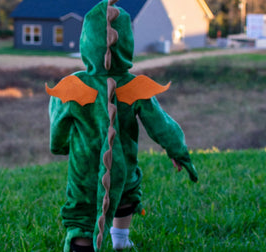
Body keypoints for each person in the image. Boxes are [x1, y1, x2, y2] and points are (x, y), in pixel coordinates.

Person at [46, 1, 198, 251]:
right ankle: (120, 238)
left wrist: (60, 146)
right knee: (126, 192)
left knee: (83, 211)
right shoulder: (135, 87)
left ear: (87, 40)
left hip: (83, 167)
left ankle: (85, 245)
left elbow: (58, 127)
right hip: (123, 163)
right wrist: (177, 152)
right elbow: (161, 124)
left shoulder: (71, 88)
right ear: (127, 42)